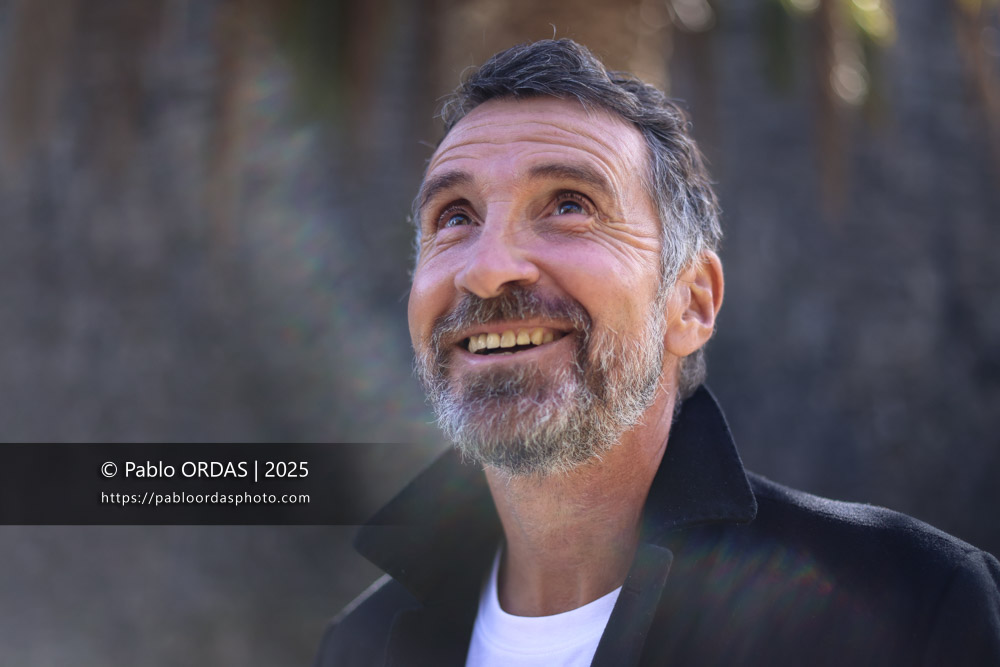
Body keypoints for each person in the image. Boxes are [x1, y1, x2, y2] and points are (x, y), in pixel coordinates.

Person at [314, 39, 1000, 666]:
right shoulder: (361, 646)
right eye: (455, 217)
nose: (487, 269)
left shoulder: (910, 610)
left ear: (692, 301)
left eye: (569, 205)